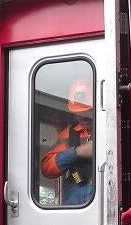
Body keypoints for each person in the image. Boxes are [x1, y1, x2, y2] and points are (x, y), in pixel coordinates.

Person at [40, 78, 95, 206]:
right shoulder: (70, 134)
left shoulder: (109, 129)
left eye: (88, 111)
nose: (84, 117)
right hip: (75, 205)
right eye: (79, 112)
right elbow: (47, 168)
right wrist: (77, 152)